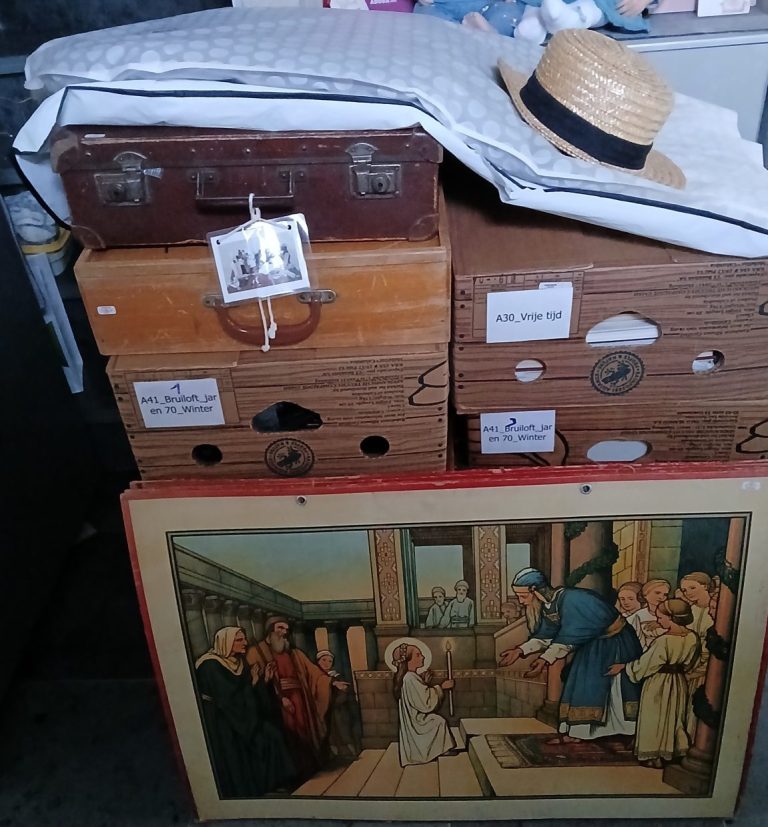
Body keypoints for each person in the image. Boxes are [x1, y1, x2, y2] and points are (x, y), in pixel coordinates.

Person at [499, 567, 642, 742]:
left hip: (615, 644)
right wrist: (520, 651)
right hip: (593, 645)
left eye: (523, 596)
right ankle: (581, 733)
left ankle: (626, 731)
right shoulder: (549, 606)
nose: (521, 602)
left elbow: (571, 635)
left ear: (534, 590)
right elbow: (547, 635)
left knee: (607, 687)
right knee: (583, 685)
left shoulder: (573, 599)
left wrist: (544, 660)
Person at [194, 626, 296, 798]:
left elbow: (250, 694)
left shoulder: (240, 663)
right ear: (226, 642)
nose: (245, 643)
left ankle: (272, 783)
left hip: (244, 717)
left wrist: (264, 681)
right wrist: (253, 683)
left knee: (273, 735)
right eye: (239, 640)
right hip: (224, 720)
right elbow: (228, 698)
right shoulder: (210, 665)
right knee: (255, 742)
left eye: (244, 639)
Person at [250, 616, 349, 778]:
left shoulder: (295, 653)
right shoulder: (256, 652)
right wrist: (279, 698)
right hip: (276, 701)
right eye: (280, 628)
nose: (284, 632)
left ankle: (306, 768)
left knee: (303, 731)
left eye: (286, 629)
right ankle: (289, 772)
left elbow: (315, 673)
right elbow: (254, 683)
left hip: (301, 700)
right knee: (288, 733)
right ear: (270, 630)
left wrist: (332, 682)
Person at [607, 599, 700, 769]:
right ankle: (672, 751)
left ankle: (653, 755)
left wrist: (624, 667)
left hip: (658, 682)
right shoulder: (692, 637)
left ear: (671, 618)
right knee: (674, 716)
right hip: (678, 682)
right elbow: (690, 663)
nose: (658, 620)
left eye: (660, 617)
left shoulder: (663, 640)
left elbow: (646, 664)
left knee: (654, 717)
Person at [392, 642, 456, 766]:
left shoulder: (410, 677)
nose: (422, 657)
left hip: (416, 718)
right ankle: (435, 752)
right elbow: (425, 703)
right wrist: (442, 687)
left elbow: (419, 695)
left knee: (437, 721)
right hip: (417, 722)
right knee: (438, 722)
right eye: (418, 655)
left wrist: (425, 683)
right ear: (408, 661)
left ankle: (439, 750)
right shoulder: (410, 678)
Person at [679, 572, 715, 739]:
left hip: (709, 668)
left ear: (705, 586)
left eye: (692, 588)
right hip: (688, 665)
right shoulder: (689, 611)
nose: (688, 593)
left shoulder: (716, 610)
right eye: (685, 590)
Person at [315, 650, 363, 759]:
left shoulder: (336, 676)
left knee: (344, 732)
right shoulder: (317, 678)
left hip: (338, 710)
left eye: (330, 661)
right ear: (318, 661)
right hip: (324, 711)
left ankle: (352, 753)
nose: (326, 663)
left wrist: (334, 702)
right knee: (330, 735)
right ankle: (333, 756)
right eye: (324, 660)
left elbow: (344, 692)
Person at [629, 579, 671, 650]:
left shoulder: (671, 614)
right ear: (645, 594)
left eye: (665, 595)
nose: (661, 597)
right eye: (657, 593)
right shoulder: (638, 615)